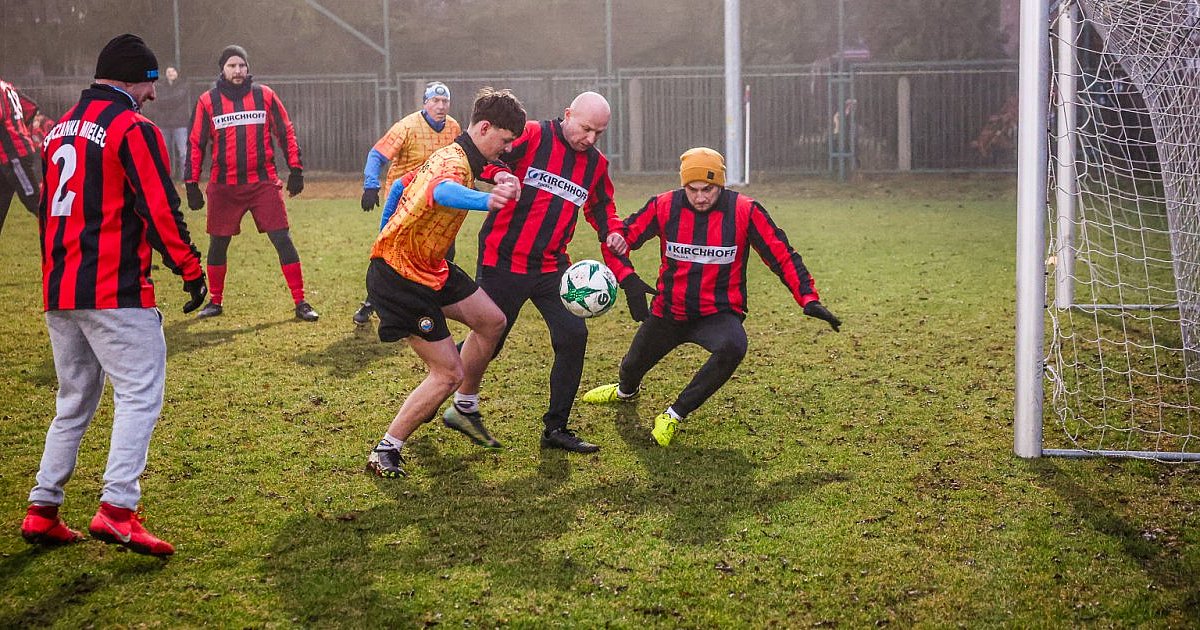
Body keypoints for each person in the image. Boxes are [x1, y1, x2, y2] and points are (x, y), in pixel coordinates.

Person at [21, 34, 208, 557]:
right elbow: (159, 207)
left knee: (74, 400)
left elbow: (45, 210)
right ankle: (117, 508)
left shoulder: (58, 128)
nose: (153, 94)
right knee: (140, 394)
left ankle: (43, 508)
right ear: (131, 79)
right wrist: (190, 269)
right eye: (149, 83)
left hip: (61, 287)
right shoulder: (131, 127)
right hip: (115, 289)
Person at [581, 147, 842, 447]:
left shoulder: (745, 211)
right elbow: (619, 240)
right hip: (669, 311)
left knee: (734, 346)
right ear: (683, 185)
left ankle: (674, 414)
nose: (701, 197)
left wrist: (808, 298)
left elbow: (781, 255)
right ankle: (625, 392)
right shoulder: (664, 206)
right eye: (692, 189)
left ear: (721, 184)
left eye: (708, 189)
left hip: (717, 314)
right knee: (631, 366)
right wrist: (628, 279)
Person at [449, 91, 637, 455]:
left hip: (553, 267)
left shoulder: (595, 165)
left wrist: (613, 231)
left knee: (573, 336)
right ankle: (441, 384)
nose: (591, 139)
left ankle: (556, 428)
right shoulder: (534, 134)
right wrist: (502, 176)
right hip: (504, 259)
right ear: (568, 114)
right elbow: (483, 157)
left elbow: (602, 207)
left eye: (599, 133)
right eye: (586, 129)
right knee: (490, 341)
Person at [363, 87, 525, 478]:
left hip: (429, 265)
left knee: (492, 321)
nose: (505, 149)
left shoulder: (457, 152)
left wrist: (502, 174)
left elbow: (401, 186)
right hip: (401, 278)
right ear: (484, 128)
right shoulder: (452, 162)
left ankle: (464, 407)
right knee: (448, 372)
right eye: (504, 141)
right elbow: (443, 190)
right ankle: (386, 449)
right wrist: (487, 200)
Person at [185, 45, 317, 321]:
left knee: (282, 238)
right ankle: (215, 301)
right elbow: (196, 143)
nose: (237, 71)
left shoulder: (264, 95)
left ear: (248, 68)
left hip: (262, 183)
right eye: (232, 66)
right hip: (224, 186)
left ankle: (301, 301)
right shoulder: (207, 101)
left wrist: (296, 169)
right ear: (222, 69)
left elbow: (285, 132)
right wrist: (191, 183)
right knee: (218, 244)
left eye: (242, 65)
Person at [354, 80, 461, 324]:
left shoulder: (453, 127)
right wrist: (371, 184)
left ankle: (431, 300)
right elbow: (376, 155)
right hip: (403, 200)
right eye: (435, 100)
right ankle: (373, 301)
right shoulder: (407, 126)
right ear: (425, 103)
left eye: (445, 101)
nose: (441, 106)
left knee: (445, 250)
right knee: (392, 254)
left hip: (435, 200)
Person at [0, 76, 42, 237]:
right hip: (11, 155)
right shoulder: (7, 86)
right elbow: (31, 106)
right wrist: (19, 129)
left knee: (34, 201)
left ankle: (64, 236)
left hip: (14, 156)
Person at [145, 66, 191, 179]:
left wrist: (164, 102)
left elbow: (177, 98)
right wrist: (168, 101)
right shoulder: (159, 86)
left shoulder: (183, 85)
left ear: (177, 73)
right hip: (163, 124)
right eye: (168, 71)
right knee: (164, 153)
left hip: (180, 124)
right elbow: (156, 100)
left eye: (173, 71)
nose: (170, 73)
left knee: (183, 153)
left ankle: (186, 178)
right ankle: (166, 178)